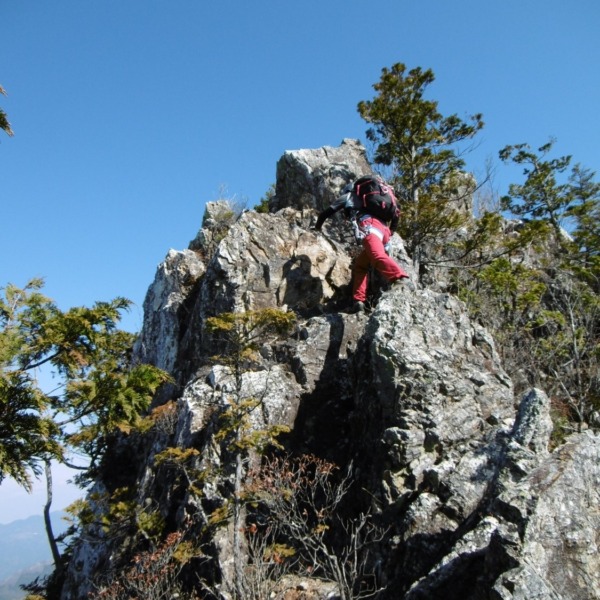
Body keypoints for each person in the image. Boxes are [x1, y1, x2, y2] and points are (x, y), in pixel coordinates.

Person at [314, 178, 409, 312]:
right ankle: (359, 302)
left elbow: (326, 213)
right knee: (360, 266)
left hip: (370, 225)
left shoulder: (349, 196)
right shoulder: (381, 201)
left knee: (376, 256)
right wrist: (389, 232)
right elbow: (396, 217)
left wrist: (317, 227)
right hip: (384, 231)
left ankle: (399, 278)